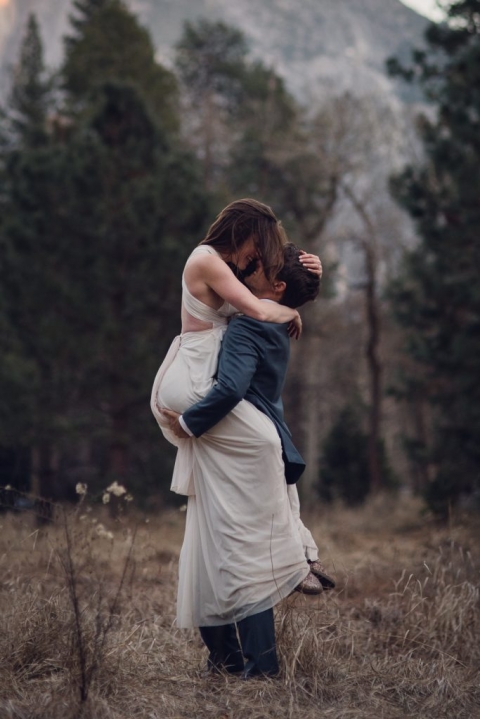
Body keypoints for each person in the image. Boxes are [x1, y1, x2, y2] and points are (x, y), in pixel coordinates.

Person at [150, 199, 322, 677]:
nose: (258, 258)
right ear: (245, 233)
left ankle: (226, 654)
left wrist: (311, 280)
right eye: (259, 247)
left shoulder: (225, 269)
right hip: (199, 385)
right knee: (259, 487)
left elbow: (265, 294)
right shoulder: (206, 259)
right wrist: (286, 307)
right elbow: (252, 305)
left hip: (204, 386)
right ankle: (297, 552)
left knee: (216, 526)